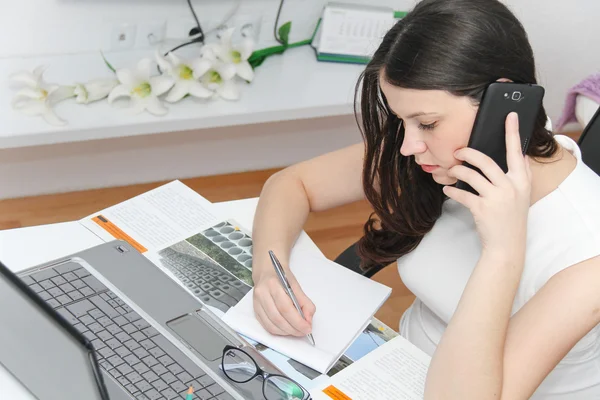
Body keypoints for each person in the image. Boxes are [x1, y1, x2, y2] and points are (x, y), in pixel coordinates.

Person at [250, 0, 600, 398]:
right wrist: (267, 272)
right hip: (396, 369)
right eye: (403, 121)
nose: (408, 145)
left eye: (428, 123)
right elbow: (291, 183)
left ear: (503, 103)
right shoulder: (449, 154)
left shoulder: (588, 254)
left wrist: (502, 251)